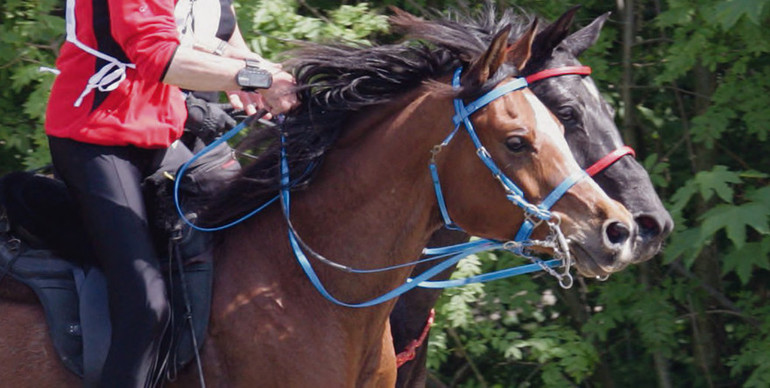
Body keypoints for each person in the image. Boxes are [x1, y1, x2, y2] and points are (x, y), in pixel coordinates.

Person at [44, 0, 298, 386]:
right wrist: (255, 78)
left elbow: (202, 39)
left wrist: (271, 73)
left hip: (160, 136)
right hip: (95, 138)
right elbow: (159, 58)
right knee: (146, 304)